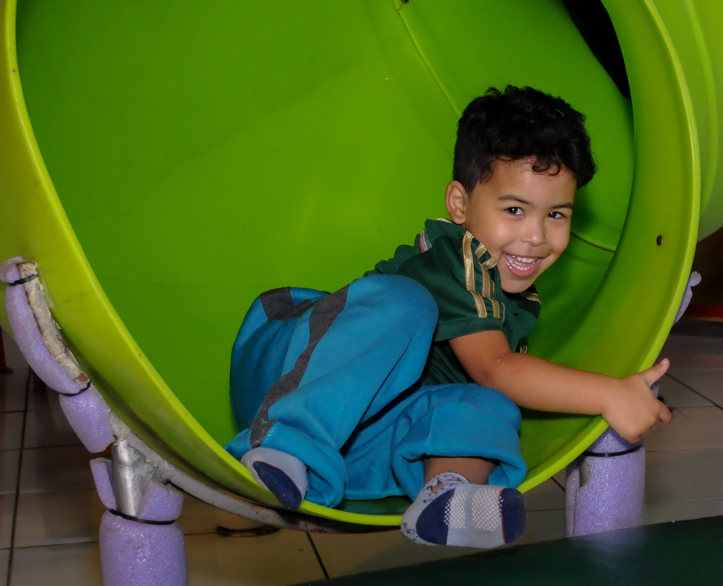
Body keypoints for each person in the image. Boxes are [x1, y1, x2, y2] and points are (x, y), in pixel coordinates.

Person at [225, 86, 671, 548]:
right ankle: (283, 445)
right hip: (289, 379)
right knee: (408, 305)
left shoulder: (513, 300)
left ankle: (445, 492)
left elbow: (493, 383)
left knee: (493, 406)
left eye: (556, 214)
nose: (537, 236)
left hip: (356, 444)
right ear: (459, 204)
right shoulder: (457, 259)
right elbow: (497, 369)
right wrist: (609, 394)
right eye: (514, 209)